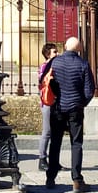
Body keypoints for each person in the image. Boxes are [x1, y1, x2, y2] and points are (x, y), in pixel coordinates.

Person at [46, 36, 96, 193]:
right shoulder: (83, 64)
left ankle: (50, 177)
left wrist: (56, 95)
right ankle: (76, 179)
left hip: (58, 107)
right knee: (76, 143)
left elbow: (47, 81)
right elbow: (89, 90)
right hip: (75, 107)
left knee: (55, 142)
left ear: (65, 47)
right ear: (79, 48)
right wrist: (81, 103)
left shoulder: (55, 61)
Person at [37, 42, 59, 171]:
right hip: (47, 102)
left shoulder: (55, 66)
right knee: (47, 131)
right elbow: (43, 82)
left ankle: (54, 160)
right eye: (55, 52)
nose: (58, 53)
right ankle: (42, 158)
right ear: (48, 54)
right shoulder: (45, 67)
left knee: (55, 132)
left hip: (55, 101)